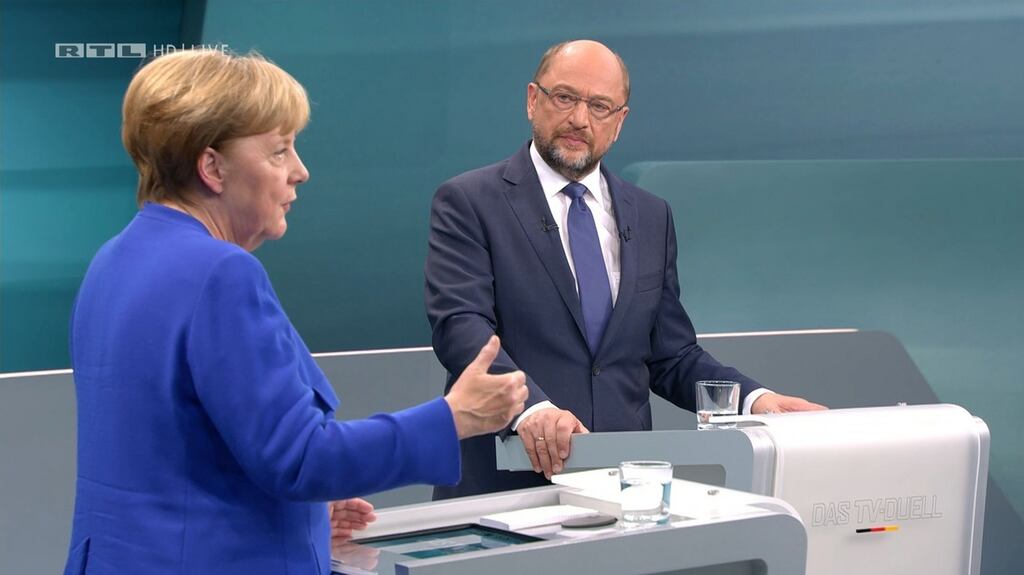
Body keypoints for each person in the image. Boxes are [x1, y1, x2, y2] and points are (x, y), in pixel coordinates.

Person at [63, 49, 527, 575]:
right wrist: (452, 419)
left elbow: (171, 456)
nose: (300, 172)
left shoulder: (114, 260)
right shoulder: (221, 274)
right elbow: (299, 458)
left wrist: (299, 513)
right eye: (279, 151)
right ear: (212, 166)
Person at [425, 39, 824, 500]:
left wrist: (756, 401)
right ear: (533, 100)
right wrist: (533, 412)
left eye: (599, 106)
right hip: (502, 484)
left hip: (624, 493)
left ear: (619, 123)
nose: (580, 119)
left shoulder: (652, 215)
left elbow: (670, 354)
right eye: (565, 98)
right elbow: (462, 328)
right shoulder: (470, 201)